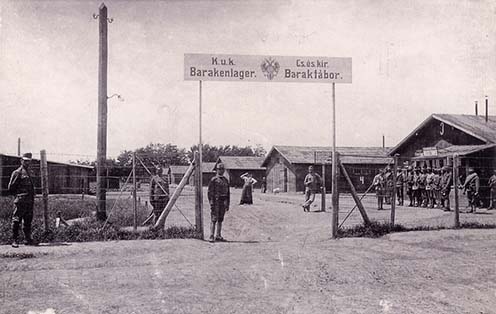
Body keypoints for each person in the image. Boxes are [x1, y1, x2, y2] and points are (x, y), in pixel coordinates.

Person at [8, 153, 36, 248]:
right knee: (16, 220)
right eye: (25, 160)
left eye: (29, 161)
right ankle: (15, 240)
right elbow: (11, 187)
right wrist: (18, 196)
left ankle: (28, 239)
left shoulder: (31, 172)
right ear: (21, 161)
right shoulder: (17, 172)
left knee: (28, 220)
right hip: (20, 201)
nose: (27, 162)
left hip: (29, 200)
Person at [207, 163, 230, 242]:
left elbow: (228, 193)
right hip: (216, 201)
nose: (221, 171)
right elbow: (210, 192)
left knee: (220, 219)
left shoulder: (226, 180)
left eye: (222, 169)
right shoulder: (214, 180)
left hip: (223, 202)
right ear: (216, 170)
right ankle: (211, 235)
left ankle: (218, 235)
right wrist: (211, 202)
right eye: (219, 169)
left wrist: (227, 204)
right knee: (214, 219)